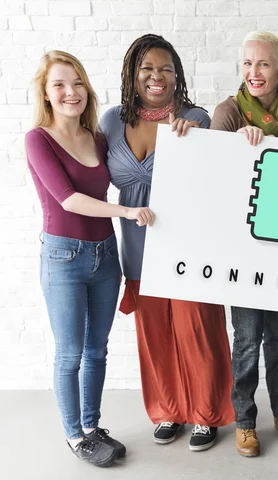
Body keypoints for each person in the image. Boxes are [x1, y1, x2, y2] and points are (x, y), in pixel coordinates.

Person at [100, 34, 235, 452]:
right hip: (138, 247)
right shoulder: (109, 121)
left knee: (198, 330)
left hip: (187, 248)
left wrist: (194, 141)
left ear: (177, 76)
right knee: (154, 334)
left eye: (165, 69)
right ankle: (168, 410)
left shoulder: (196, 118)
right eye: (147, 69)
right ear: (132, 75)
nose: (156, 76)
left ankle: (205, 415)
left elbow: (215, 181)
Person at [26, 51, 154, 467]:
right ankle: (73, 435)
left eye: (77, 82)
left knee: (96, 349)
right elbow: (70, 199)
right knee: (69, 353)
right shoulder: (38, 139)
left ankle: (91, 426)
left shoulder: (97, 136)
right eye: (60, 85)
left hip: (105, 254)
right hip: (63, 257)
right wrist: (128, 212)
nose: (70, 92)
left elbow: (134, 167)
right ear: (46, 94)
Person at [211, 31, 278, 458]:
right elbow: (218, 177)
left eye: (263, 64)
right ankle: (245, 420)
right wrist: (237, 149)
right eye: (247, 64)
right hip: (244, 247)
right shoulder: (229, 112)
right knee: (246, 338)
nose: (254, 72)